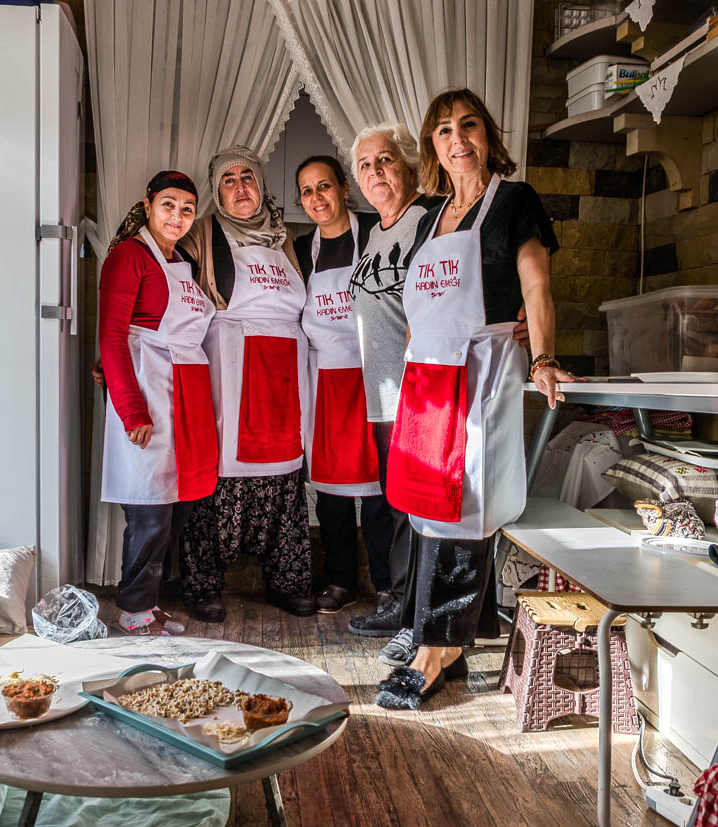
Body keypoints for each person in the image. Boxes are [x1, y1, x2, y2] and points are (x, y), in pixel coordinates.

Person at [375, 89, 581, 710]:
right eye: (443, 130)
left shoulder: (515, 202)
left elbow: (536, 286)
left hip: (481, 366)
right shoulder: (431, 217)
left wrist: (542, 356)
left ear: (487, 135)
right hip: (426, 377)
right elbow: (420, 307)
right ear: (431, 147)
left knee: (464, 503)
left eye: (468, 126)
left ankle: (436, 649)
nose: (457, 139)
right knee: (423, 503)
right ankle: (454, 637)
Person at [176, 146, 316, 622]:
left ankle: (287, 579)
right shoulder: (199, 234)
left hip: (286, 369)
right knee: (223, 470)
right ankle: (203, 585)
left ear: (261, 184)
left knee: (285, 470)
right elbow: (151, 264)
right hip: (230, 363)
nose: (240, 186)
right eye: (229, 179)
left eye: (248, 177)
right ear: (216, 190)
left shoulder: (288, 238)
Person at [98, 170, 217, 636]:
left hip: (186, 393)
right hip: (149, 389)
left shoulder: (183, 260)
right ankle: (132, 610)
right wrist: (131, 410)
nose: (178, 216)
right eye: (168, 205)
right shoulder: (129, 257)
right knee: (149, 509)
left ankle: (148, 603)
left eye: (187, 209)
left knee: (175, 507)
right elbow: (111, 336)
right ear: (148, 205)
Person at [342, 123, 443, 665]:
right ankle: (402, 604)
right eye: (364, 165)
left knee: (416, 508)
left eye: (384, 161)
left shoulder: (429, 221)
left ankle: (415, 618)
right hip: (381, 394)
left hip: (417, 392)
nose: (375, 172)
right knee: (396, 503)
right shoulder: (376, 231)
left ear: (406, 165)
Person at [292, 155, 393, 614]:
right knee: (331, 488)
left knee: (379, 486)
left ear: (345, 189)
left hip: (377, 373)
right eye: (308, 191)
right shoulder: (299, 250)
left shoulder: (376, 233)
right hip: (326, 378)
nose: (317, 198)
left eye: (325, 187)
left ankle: (389, 583)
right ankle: (340, 580)